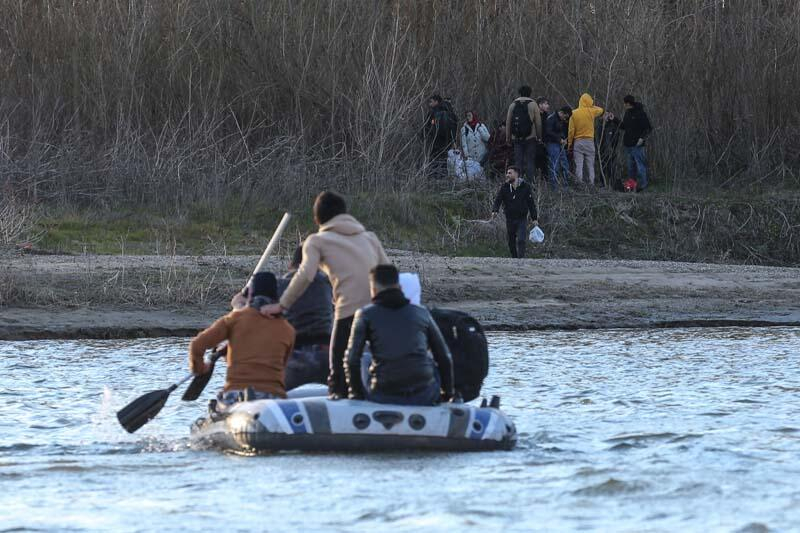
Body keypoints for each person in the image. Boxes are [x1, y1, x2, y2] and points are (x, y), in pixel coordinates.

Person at [260, 191, 390, 399]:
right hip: (378, 310)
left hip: (348, 312)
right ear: (345, 214)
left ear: (317, 219)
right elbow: (388, 272)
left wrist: (282, 305)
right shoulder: (370, 238)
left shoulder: (316, 241)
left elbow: (305, 275)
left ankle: (341, 394)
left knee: (338, 366)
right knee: (369, 360)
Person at [345, 265, 454, 406]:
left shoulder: (365, 314)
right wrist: (448, 394)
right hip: (425, 393)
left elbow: (352, 359)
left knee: (365, 358)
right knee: (427, 358)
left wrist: (356, 395)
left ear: (373, 290)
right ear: (399, 287)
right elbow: (444, 357)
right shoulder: (422, 313)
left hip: (382, 394)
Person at [189, 272, 295, 406]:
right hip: (273, 397)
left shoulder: (235, 319)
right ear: (277, 296)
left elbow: (197, 345)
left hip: (236, 393)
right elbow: (281, 365)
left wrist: (200, 369)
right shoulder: (288, 329)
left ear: (250, 294)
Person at [278, 245, 333, 391]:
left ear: (291, 264)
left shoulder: (280, 285)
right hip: (326, 355)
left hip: (294, 358)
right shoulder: (327, 283)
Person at [491, 166, 539, 258]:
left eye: (510, 173)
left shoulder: (525, 187)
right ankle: (514, 258)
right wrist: (495, 210)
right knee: (511, 241)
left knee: (521, 240)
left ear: (516, 174)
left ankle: (521, 259)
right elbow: (498, 200)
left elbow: (531, 203)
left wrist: (534, 218)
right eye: (507, 173)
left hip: (522, 218)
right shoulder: (504, 187)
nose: (507, 175)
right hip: (510, 218)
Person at [505, 85, 542, 181]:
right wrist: (539, 137)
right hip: (530, 138)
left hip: (516, 138)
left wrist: (508, 138)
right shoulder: (533, 104)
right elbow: (538, 123)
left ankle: (517, 183)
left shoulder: (513, 104)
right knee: (530, 161)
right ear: (530, 93)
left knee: (518, 162)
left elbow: (508, 123)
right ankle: (530, 184)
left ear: (519, 92)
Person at [567, 93, 604, 186]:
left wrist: (569, 144)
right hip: (589, 142)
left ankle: (579, 184)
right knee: (590, 165)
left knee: (579, 165)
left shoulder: (573, 113)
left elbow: (571, 131)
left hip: (578, 142)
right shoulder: (591, 112)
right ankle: (591, 184)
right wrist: (591, 106)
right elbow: (601, 110)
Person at [619, 95, 653, 191]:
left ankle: (643, 185)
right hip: (628, 145)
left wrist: (642, 138)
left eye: (625, 103)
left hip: (637, 145)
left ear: (628, 103)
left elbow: (648, 128)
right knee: (630, 167)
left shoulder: (640, 113)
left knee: (640, 166)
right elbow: (623, 126)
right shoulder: (627, 113)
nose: (624, 105)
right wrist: (614, 119)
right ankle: (632, 185)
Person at [422, 94, 458, 178]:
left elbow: (428, 126)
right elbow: (454, 126)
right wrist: (453, 141)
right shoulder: (450, 112)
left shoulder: (434, 112)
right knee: (444, 160)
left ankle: (433, 178)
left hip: (435, 140)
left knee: (434, 159)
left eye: (431, 102)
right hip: (447, 141)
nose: (429, 104)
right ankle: (443, 178)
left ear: (436, 102)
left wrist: (425, 136)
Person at [543, 106, 572, 190]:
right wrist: (559, 139)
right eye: (565, 116)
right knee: (554, 165)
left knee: (565, 164)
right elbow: (548, 132)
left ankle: (565, 185)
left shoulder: (561, 120)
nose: (565, 119)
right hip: (552, 144)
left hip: (560, 144)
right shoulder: (551, 119)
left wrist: (563, 139)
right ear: (562, 113)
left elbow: (561, 131)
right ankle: (554, 187)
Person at [599, 112, 622, 190]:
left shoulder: (613, 126)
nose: (607, 116)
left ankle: (611, 185)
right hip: (601, 151)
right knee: (602, 168)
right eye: (605, 115)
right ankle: (602, 184)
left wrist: (612, 148)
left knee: (611, 168)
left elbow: (616, 137)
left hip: (611, 151)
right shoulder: (599, 126)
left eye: (608, 115)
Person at [535, 97, 551, 182]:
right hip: (536, 143)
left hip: (544, 143)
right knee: (537, 162)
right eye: (545, 104)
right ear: (539, 105)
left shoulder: (546, 116)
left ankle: (544, 181)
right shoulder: (535, 115)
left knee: (544, 163)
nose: (547, 106)